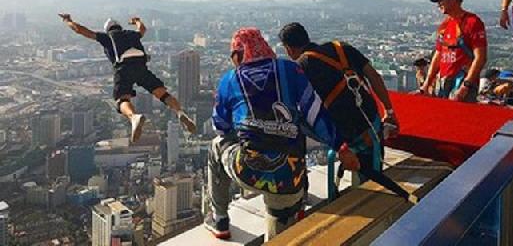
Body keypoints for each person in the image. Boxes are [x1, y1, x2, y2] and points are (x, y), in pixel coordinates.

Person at [205, 28, 357, 241]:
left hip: (247, 169)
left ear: (239, 54)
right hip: (288, 176)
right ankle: (298, 200)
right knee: (296, 127)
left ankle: (219, 219)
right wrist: (340, 146)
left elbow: (220, 127)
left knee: (215, 146)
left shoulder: (230, 80)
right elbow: (315, 113)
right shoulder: (290, 70)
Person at [278, 22, 398, 179]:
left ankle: (300, 174)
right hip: (371, 122)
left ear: (289, 49)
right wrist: (389, 111)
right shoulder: (341, 48)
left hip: (345, 134)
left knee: (294, 118)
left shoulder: (301, 68)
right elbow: (374, 77)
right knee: (372, 171)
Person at [59, 14, 196, 143]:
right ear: (120, 27)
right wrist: (136, 21)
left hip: (123, 68)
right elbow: (142, 29)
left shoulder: (107, 37)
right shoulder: (132, 34)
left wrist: (68, 21)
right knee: (163, 94)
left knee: (122, 99)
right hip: (141, 66)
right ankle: (180, 112)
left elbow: (81, 30)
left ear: (108, 29)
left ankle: (133, 117)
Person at [420, 0, 487, 102]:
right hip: (443, 82)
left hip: (462, 81)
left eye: (442, 0)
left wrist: (466, 85)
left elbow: (480, 57)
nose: (439, 4)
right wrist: (427, 84)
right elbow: (438, 55)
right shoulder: (444, 25)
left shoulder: (472, 22)